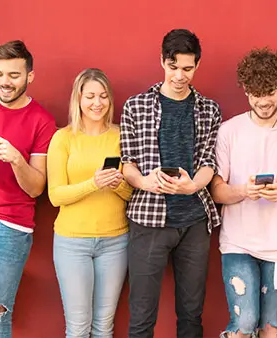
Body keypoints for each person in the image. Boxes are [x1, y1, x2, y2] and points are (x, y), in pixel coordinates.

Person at [120, 29, 222, 338]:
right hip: (148, 221)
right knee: (141, 315)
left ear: (197, 66)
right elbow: (127, 163)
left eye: (187, 68)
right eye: (173, 66)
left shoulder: (210, 109)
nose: (179, 75)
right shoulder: (134, 106)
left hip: (193, 222)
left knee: (191, 315)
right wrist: (145, 182)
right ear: (162, 61)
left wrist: (193, 186)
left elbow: (209, 162)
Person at [210, 47, 277, 338]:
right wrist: (244, 191)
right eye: (256, 94)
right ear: (245, 91)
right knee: (244, 324)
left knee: (270, 328)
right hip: (238, 243)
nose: (263, 101)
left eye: (269, 92)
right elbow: (217, 191)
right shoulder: (229, 131)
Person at [0, 40, 57, 337]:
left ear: (30, 76)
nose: (5, 82)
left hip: (12, 229)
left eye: (14, 75)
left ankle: (1, 294)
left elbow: (36, 188)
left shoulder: (42, 120)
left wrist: (16, 158)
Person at [47, 68, 133, 337]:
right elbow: (56, 195)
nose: (97, 103)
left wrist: (117, 184)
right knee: (78, 328)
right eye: (91, 96)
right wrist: (93, 183)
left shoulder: (122, 136)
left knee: (104, 327)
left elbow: (133, 194)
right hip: (72, 244)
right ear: (79, 99)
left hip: (115, 242)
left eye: (103, 96)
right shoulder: (63, 138)